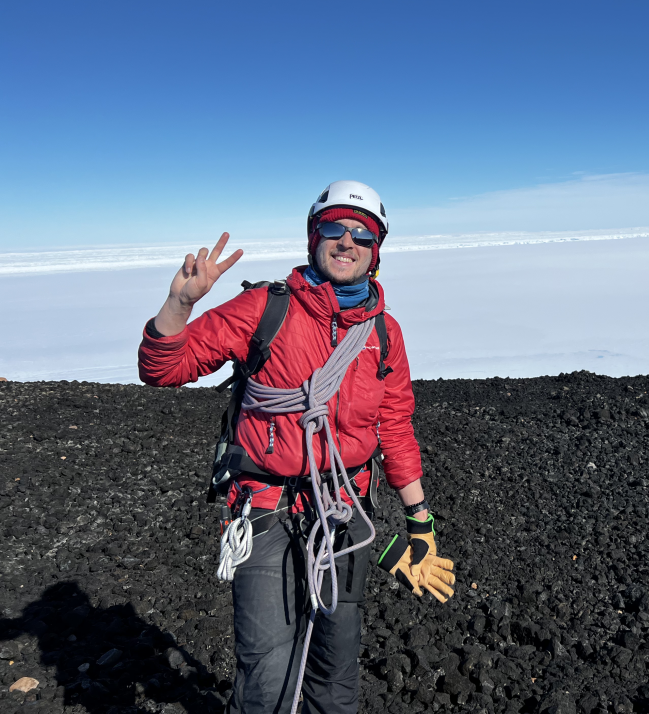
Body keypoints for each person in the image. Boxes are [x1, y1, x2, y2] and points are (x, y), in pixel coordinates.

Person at [137, 180, 455, 714]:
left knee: (336, 670)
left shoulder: (384, 332)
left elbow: (394, 427)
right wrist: (178, 304)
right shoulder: (265, 308)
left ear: (376, 251)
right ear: (314, 238)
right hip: (265, 509)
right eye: (335, 228)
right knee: (265, 675)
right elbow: (163, 368)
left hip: (345, 510)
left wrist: (418, 519)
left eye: (362, 233)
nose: (347, 241)